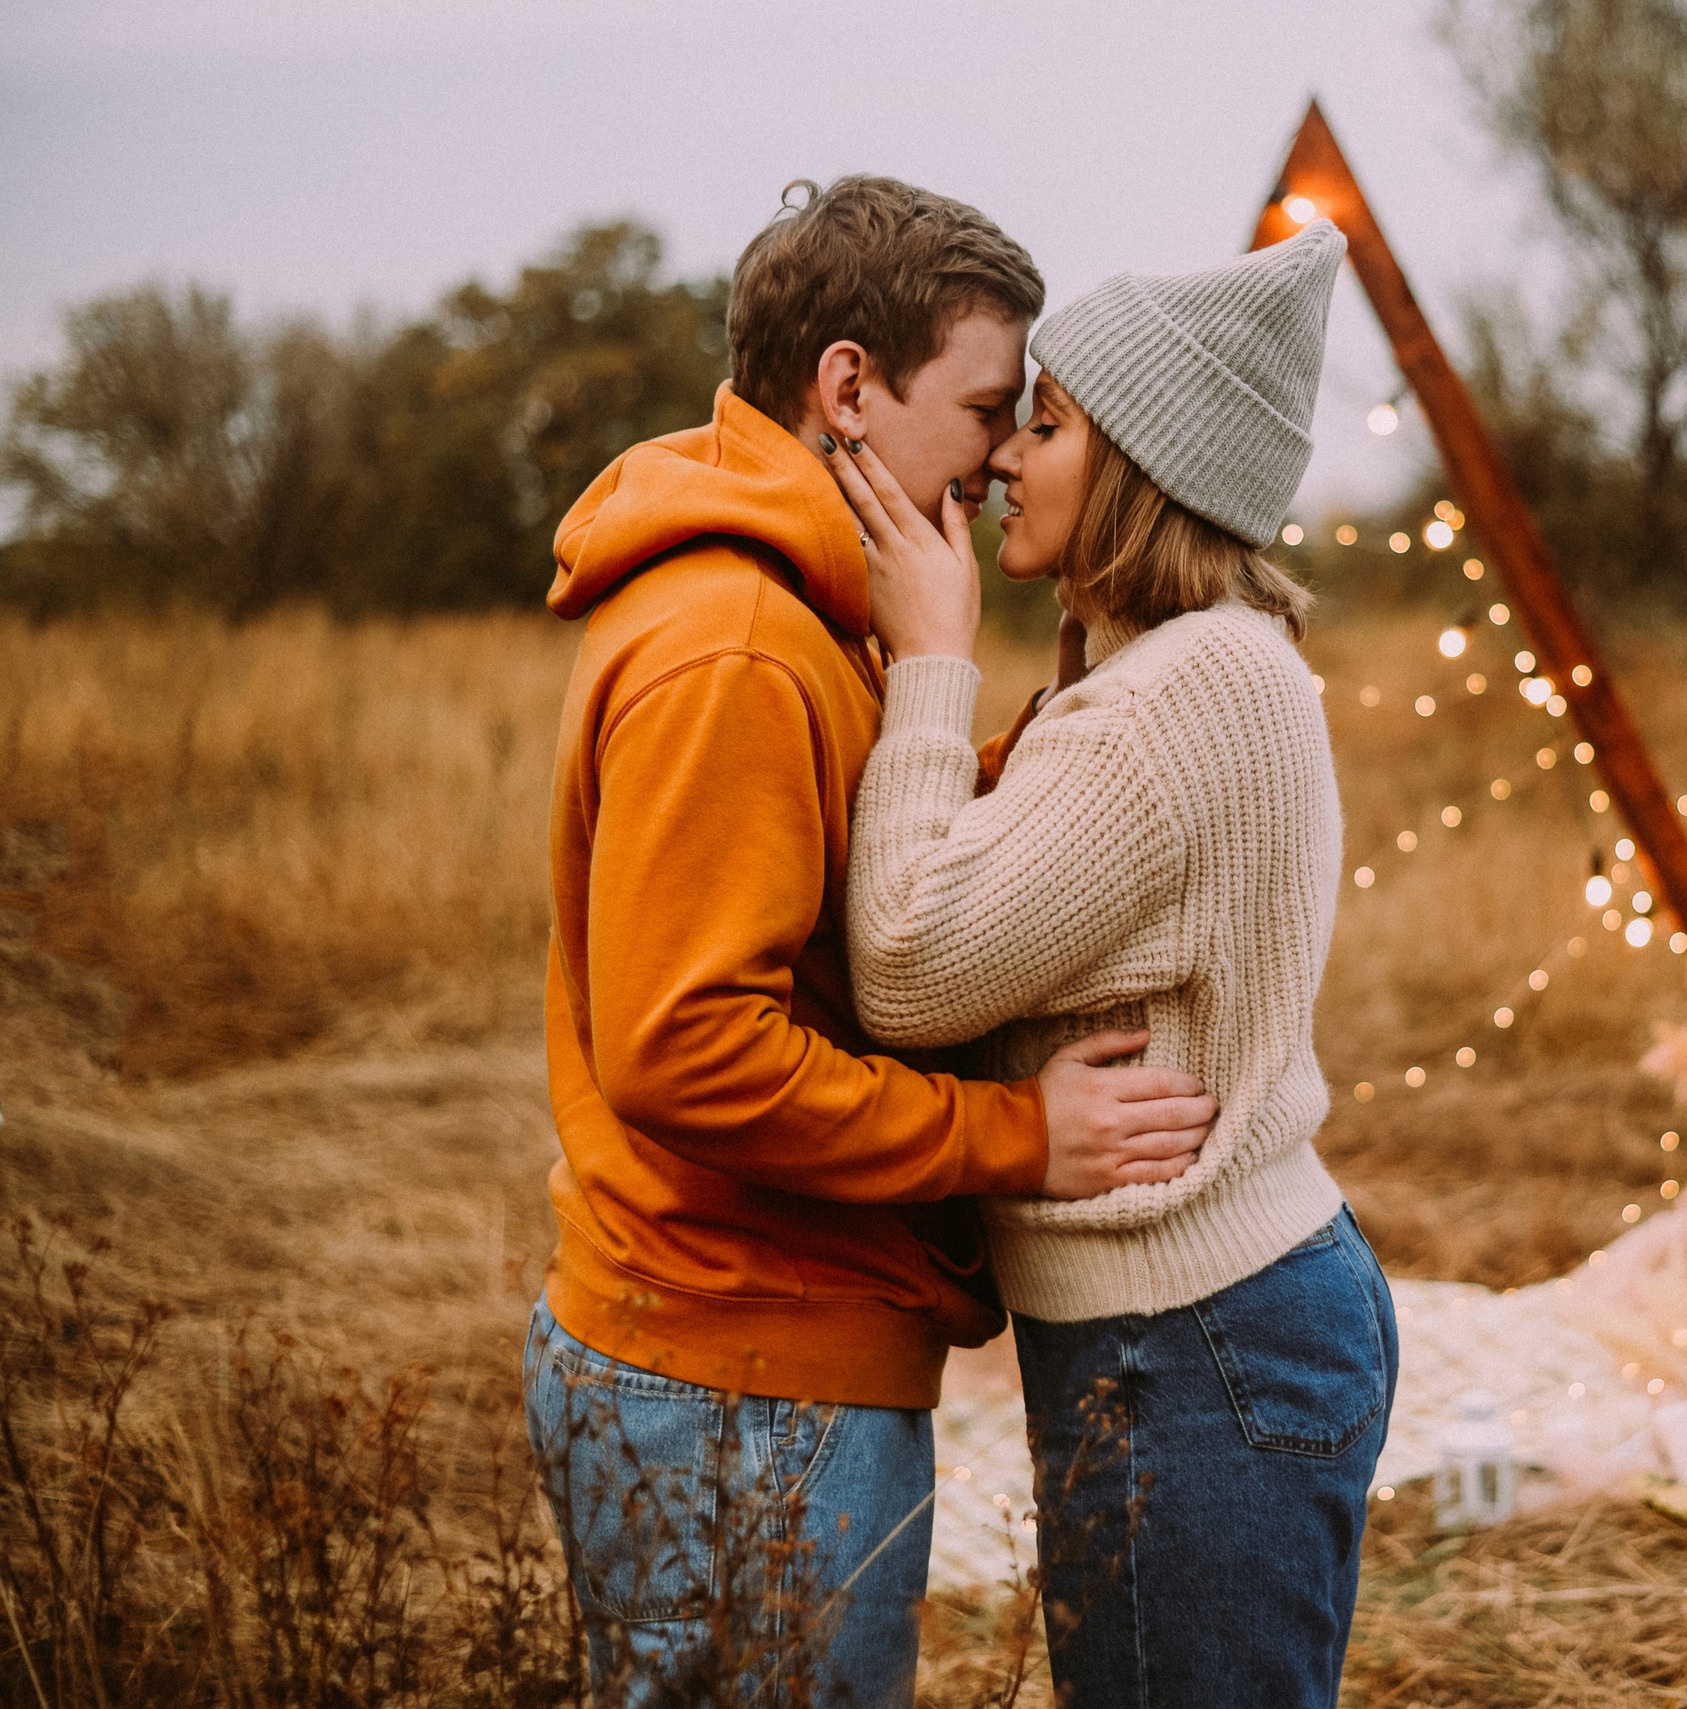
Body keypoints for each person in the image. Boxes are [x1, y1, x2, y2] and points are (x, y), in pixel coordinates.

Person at [521, 175, 1218, 1709]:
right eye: (983, 408)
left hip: (746, 1355)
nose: (992, 457)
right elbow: (690, 1046)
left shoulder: (804, 611)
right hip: (736, 1377)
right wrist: (1018, 1135)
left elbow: (823, 873)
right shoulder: (741, 644)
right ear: (849, 384)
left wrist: (1018, 767)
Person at [823, 220, 1397, 1708]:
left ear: (1146, 467)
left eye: (1054, 424)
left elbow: (907, 961)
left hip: (1195, 1344)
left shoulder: (1185, 693)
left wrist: (931, 660)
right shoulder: (1192, 666)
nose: (1007, 454)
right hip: (1199, 1328)